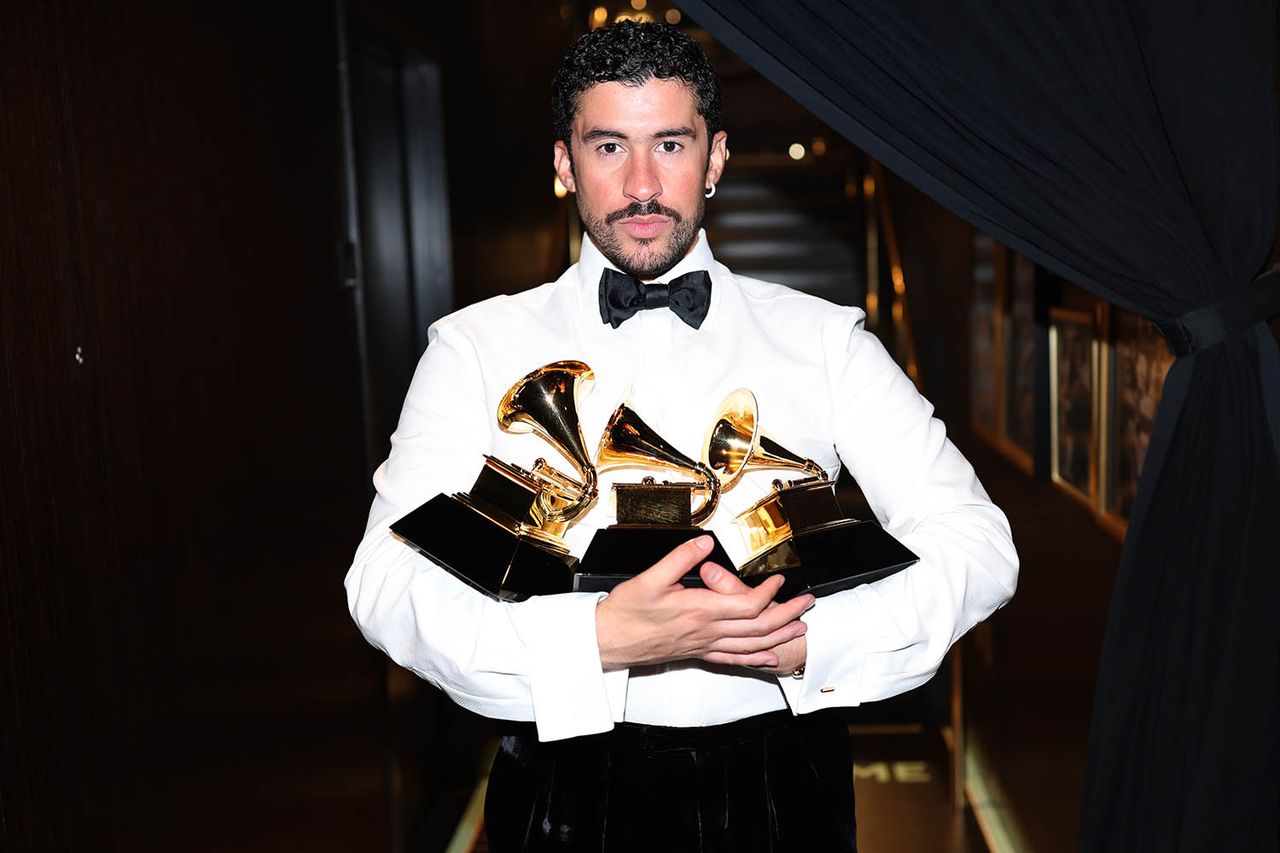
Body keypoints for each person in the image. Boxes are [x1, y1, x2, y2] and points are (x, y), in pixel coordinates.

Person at [345, 20, 1018, 852]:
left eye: (669, 143)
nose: (640, 184)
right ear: (564, 164)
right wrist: (594, 640)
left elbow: (981, 545)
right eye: (607, 147)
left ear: (717, 157)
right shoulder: (474, 349)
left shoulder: (826, 341)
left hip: (788, 783)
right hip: (564, 783)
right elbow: (382, 581)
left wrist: (810, 640)